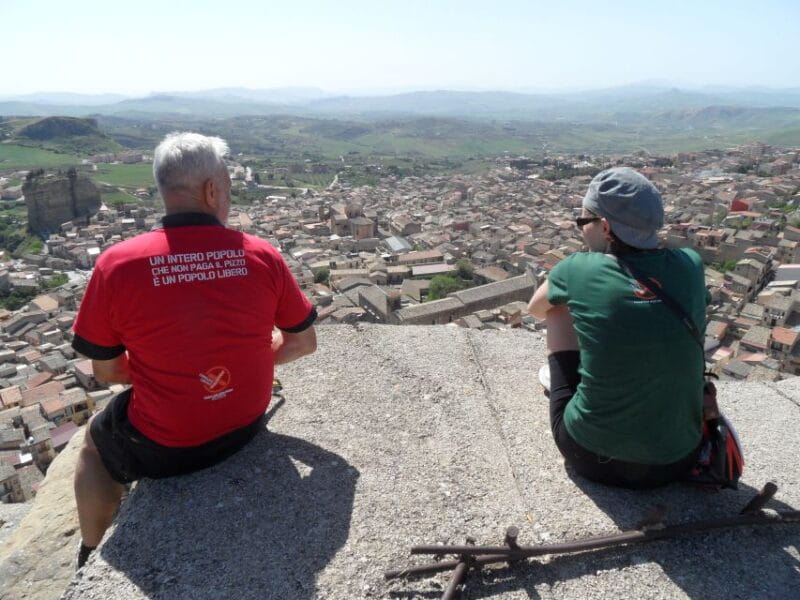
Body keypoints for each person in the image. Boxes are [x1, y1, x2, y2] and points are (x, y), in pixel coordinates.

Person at [72, 132, 317, 567]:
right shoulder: (262, 255)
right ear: (210, 190)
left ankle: (90, 551)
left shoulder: (117, 264)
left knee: (93, 445)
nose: (228, 194)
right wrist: (251, 363)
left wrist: (166, 373)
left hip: (164, 446)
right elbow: (302, 342)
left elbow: (106, 373)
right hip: (245, 423)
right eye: (227, 184)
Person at [528, 167, 706, 489]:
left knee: (559, 308)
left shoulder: (577, 268)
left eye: (584, 222)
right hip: (680, 458)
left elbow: (536, 309)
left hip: (592, 456)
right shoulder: (691, 264)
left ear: (606, 228)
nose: (581, 231)